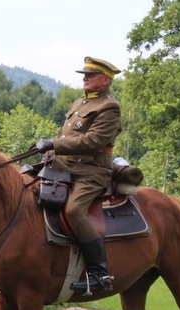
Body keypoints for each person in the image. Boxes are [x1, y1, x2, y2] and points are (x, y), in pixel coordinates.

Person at [35, 56, 122, 294]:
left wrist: (54, 143)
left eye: (90, 75)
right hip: (63, 167)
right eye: (84, 75)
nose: (84, 78)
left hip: (90, 172)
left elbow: (93, 141)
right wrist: (49, 147)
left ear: (105, 81)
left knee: (74, 210)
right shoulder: (79, 103)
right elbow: (67, 134)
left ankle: (99, 273)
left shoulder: (109, 107)